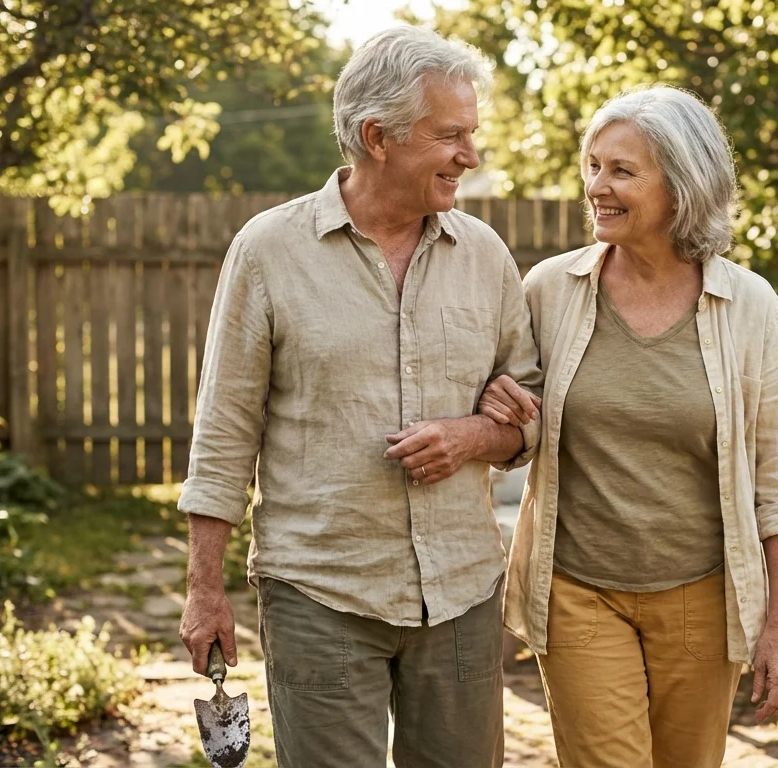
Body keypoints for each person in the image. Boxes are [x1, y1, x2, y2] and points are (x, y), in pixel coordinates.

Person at [176, 26, 543, 768]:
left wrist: (477, 436)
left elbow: (528, 408)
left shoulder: (485, 256)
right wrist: (204, 591)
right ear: (378, 137)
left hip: (463, 592)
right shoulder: (269, 251)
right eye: (450, 136)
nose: (469, 155)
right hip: (321, 593)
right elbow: (222, 433)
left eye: (471, 134)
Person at [480, 84, 778, 768]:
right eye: (593, 166)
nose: (597, 186)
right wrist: (498, 408)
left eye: (622, 170)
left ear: (683, 187)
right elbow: (517, 429)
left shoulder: (749, 307)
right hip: (577, 591)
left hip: (702, 597)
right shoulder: (549, 290)